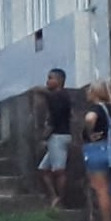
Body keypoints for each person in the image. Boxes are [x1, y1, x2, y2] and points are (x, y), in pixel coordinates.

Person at [82, 81, 111, 221]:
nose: (87, 93)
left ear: (95, 93)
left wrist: (88, 131)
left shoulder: (95, 108)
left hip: (98, 150)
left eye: (89, 90)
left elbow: (90, 119)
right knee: (108, 189)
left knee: (101, 190)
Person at [38, 69, 74, 208]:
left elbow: (54, 120)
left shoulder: (58, 97)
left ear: (59, 81)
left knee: (59, 171)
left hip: (58, 136)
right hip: (60, 135)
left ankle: (61, 200)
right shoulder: (62, 96)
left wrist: (45, 136)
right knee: (43, 169)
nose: (48, 81)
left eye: (51, 78)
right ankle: (55, 197)